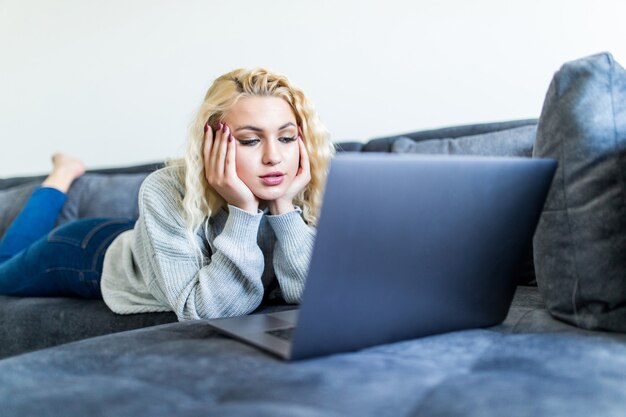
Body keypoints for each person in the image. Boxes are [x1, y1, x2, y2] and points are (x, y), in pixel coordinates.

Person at [0, 68, 336, 320]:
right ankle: (60, 177)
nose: (274, 157)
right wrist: (244, 211)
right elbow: (203, 311)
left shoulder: (303, 188)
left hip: (154, 241)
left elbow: (314, 293)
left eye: (287, 138)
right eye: (250, 140)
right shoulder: (166, 188)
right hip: (88, 252)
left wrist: (283, 207)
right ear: (211, 143)